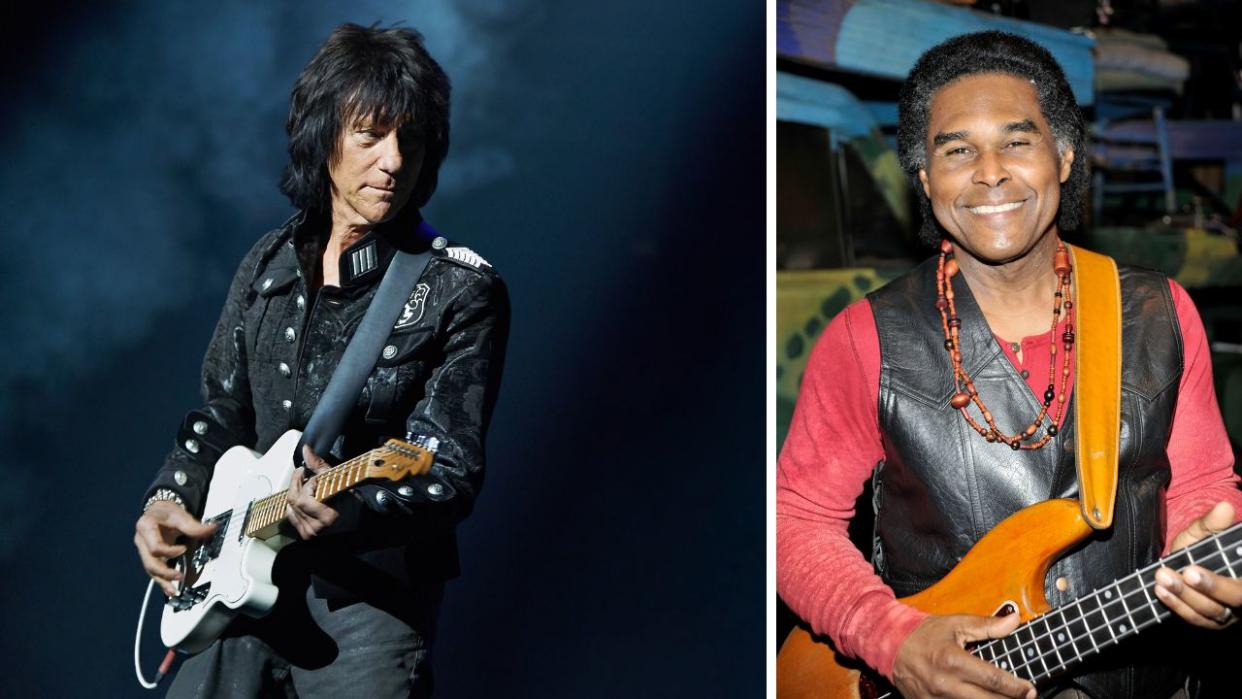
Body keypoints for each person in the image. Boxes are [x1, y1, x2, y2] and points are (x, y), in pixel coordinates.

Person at [777, 31, 1242, 699]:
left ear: (1063, 156)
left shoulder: (1162, 311)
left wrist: (1207, 559)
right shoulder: (863, 336)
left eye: (1017, 141)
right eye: (957, 150)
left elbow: (1201, 486)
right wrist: (892, 638)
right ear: (924, 178)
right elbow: (794, 518)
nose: (989, 171)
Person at [132, 23, 508, 697]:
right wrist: (167, 497)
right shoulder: (267, 262)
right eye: (370, 134)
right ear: (322, 137)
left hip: (365, 607)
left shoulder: (459, 288)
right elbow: (222, 411)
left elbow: (448, 470)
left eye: (412, 139)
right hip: (230, 586)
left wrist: (355, 512)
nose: (393, 160)